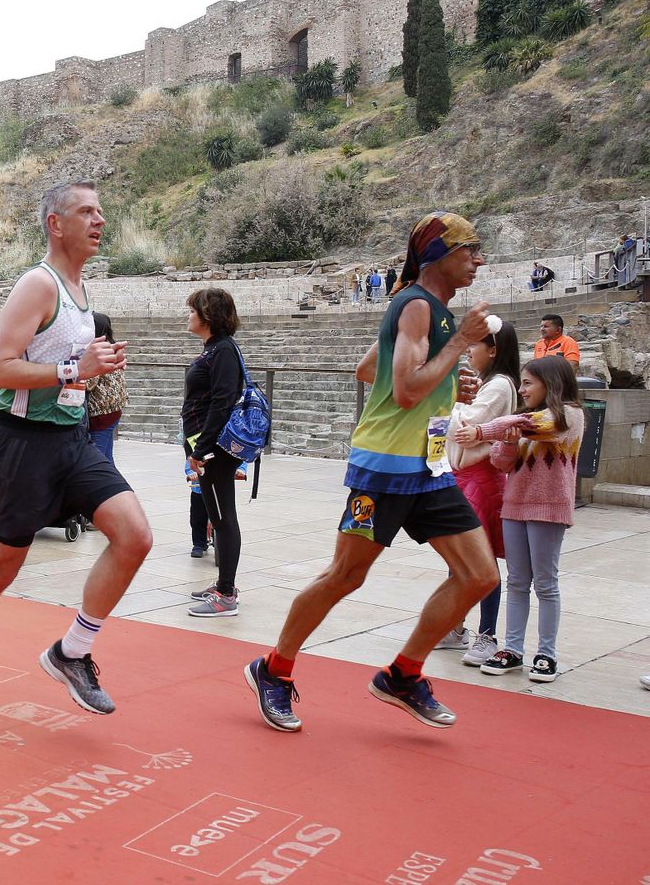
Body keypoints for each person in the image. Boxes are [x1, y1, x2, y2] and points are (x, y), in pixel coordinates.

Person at [245, 211, 496, 733]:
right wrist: (453, 349)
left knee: (480, 575)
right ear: (437, 255)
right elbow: (403, 391)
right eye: (469, 248)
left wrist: (448, 384)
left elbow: (371, 370)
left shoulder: (431, 310)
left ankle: (403, 675)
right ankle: (272, 669)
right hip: (383, 470)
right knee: (345, 576)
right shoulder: (416, 306)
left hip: (427, 471)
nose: (479, 258)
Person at [0, 179, 151, 720]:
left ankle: (73, 652)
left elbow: (63, 365)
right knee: (0, 569)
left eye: (101, 210)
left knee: (134, 536)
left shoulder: (79, 288)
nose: (100, 221)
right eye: (87, 212)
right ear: (55, 223)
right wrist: (75, 368)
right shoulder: (38, 285)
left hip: (72, 439)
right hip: (22, 445)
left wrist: (93, 362)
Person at [475, 356, 584, 683]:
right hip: (515, 506)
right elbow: (500, 461)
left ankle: (547, 654)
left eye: (527, 383)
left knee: (546, 583)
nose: (521, 389)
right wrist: (506, 442)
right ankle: (512, 649)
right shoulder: (521, 421)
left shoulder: (569, 416)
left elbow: (546, 427)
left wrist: (484, 429)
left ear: (549, 384)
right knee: (518, 581)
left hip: (548, 509)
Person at [444, 315, 520, 665]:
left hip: (480, 478)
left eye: (475, 345)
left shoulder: (500, 385)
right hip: (465, 476)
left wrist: (451, 402)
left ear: (493, 349)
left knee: (480, 558)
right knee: (460, 556)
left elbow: (467, 424)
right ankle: (456, 624)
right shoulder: (488, 382)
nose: (470, 351)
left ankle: (486, 634)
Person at [181, 287, 247, 619]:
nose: (188, 316)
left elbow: (222, 402)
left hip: (216, 452)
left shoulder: (222, 351)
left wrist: (202, 449)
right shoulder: (215, 349)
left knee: (222, 520)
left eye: (193, 311)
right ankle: (223, 585)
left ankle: (226, 594)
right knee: (218, 517)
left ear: (208, 315)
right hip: (209, 448)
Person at [86, 312, 126, 462]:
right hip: (113, 411)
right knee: (107, 459)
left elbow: (89, 383)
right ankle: (120, 486)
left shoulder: (99, 352)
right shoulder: (112, 348)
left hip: (101, 414)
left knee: (97, 462)